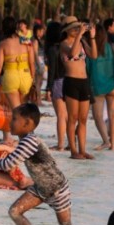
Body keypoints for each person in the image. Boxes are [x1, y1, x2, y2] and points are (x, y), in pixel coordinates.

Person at [0, 103, 99, 225]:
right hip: (41, 187)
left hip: (57, 189)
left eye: (15, 119)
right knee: (15, 212)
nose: (11, 122)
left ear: (27, 123)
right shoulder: (24, 141)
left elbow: (9, 164)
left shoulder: (29, 142)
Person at [0, 17, 34, 142]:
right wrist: (33, 79)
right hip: (26, 75)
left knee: (16, 110)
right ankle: (29, 134)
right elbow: (32, 63)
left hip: (11, 76)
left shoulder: (3, 44)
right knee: (24, 108)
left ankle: (23, 138)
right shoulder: (25, 42)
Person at [59, 17, 96, 160]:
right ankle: (73, 150)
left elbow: (94, 55)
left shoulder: (81, 42)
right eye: (74, 28)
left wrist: (91, 38)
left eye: (78, 28)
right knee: (72, 118)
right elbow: (72, 54)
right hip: (71, 81)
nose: (76, 30)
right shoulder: (63, 44)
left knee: (83, 119)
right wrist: (80, 35)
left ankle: (82, 149)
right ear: (67, 30)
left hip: (84, 82)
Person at [88, 22, 114, 150]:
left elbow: (87, 69)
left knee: (98, 116)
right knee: (113, 114)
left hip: (97, 87)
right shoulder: (111, 47)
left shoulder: (91, 49)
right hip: (113, 85)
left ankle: (105, 141)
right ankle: (112, 144)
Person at [44, 22, 67, 150]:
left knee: (61, 115)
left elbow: (51, 70)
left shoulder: (52, 49)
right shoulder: (65, 46)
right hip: (68, 80)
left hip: (58, 82)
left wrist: (48, 88)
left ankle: (61, 144)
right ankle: (70, 143)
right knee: (67, 115)